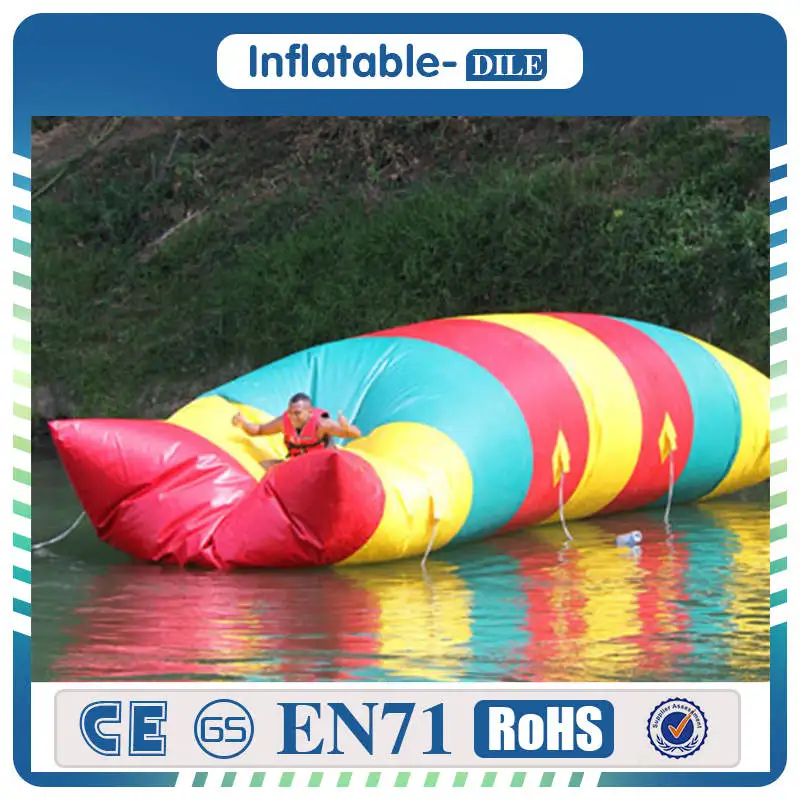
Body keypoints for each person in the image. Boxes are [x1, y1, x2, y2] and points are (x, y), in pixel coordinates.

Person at [231, 392, 362, 472]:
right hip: (300, 466)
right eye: (290, 412)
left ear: (309, 412)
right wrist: (244, 423)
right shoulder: (283, 422)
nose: (292, 417)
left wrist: (346, 427)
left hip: (324, 467)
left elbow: (356, 434)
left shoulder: (322, 424)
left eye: (297, 413)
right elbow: (259, 430)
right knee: (263, 466)